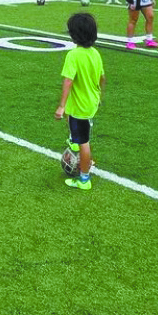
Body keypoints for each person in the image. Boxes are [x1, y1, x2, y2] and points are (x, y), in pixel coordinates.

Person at [55, 12, 105, 191]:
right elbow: (102, 78)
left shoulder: (73, 55)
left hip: (81, 106)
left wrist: (61, 106)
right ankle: (75, 141)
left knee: (84, 141)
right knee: (76, 125)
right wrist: (99, 96)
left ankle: (84, 179)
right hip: (89, 102)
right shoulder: (95, 53)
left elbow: (68, 80)